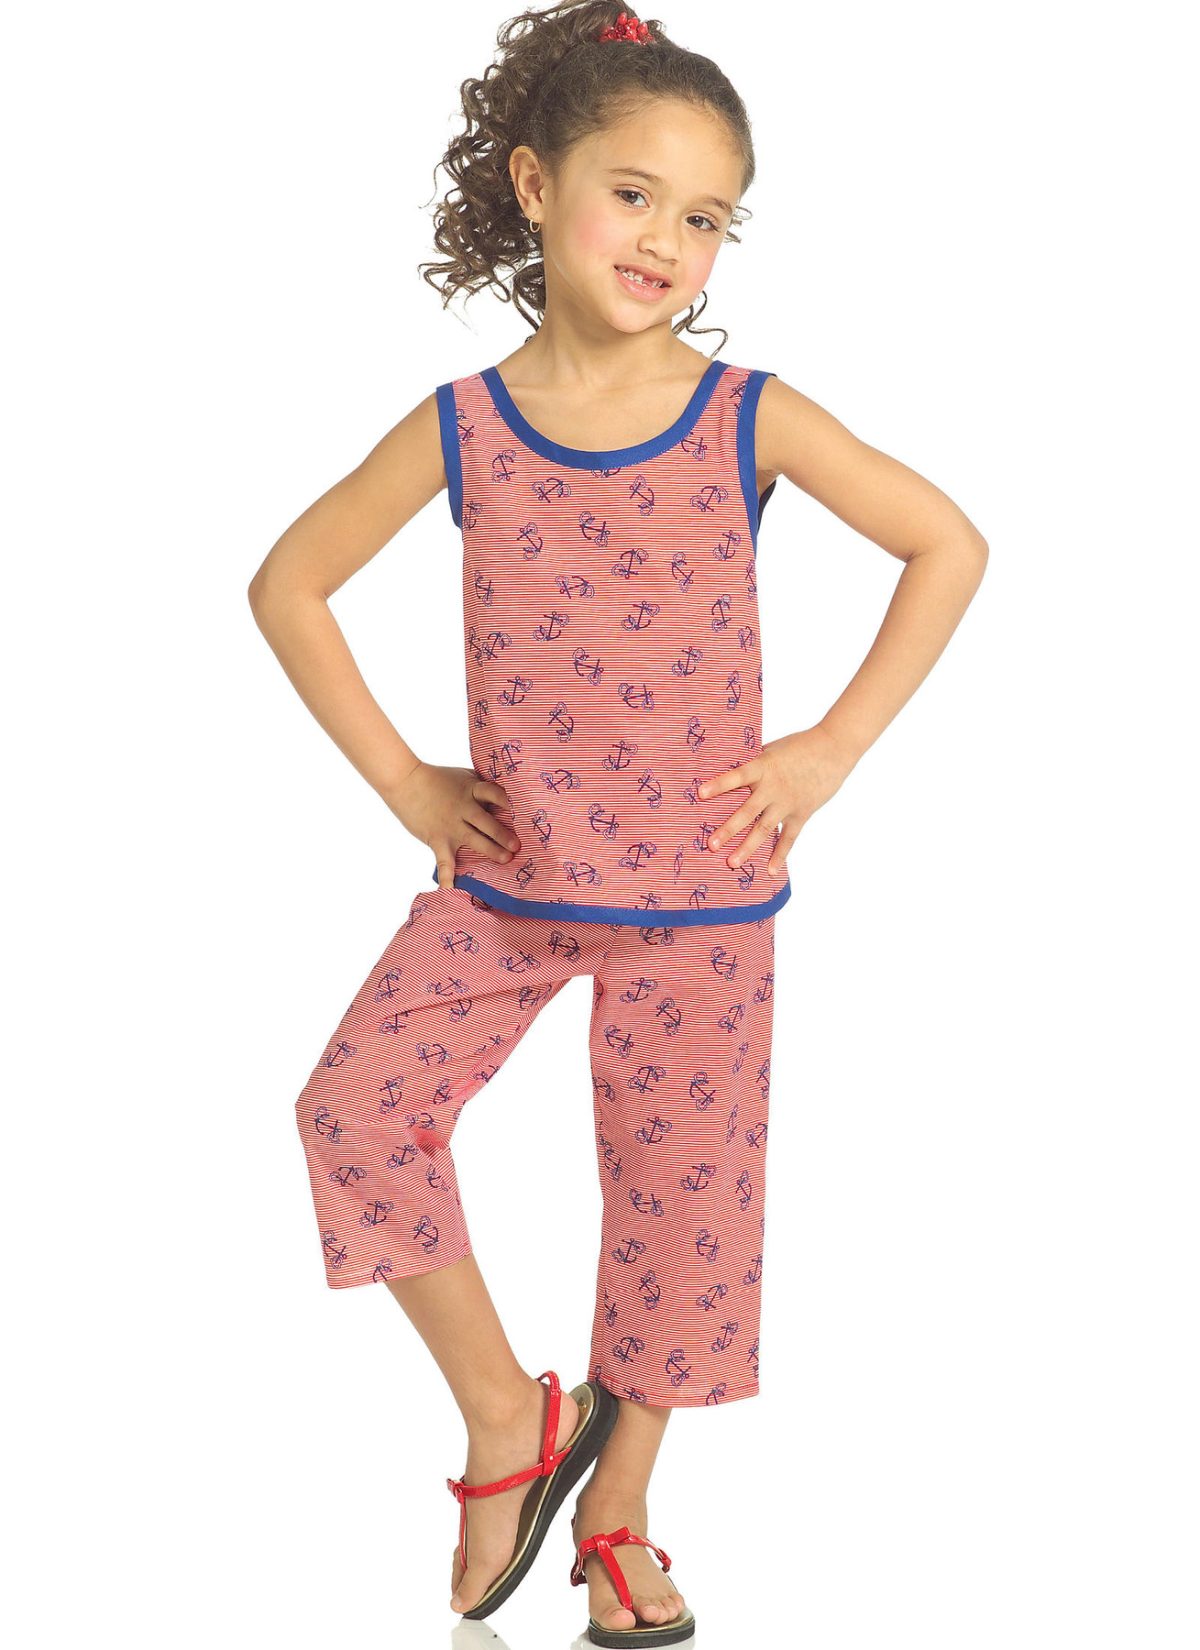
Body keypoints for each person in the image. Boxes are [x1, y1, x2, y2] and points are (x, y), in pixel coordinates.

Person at [247, 3, 988, 1642]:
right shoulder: (462, 424)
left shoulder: (748, 415)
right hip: (508, 881)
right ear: (536, 184)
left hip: (702, 894)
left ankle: (623, 1514)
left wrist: (826, 753)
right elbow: (288, 582)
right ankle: (509, 1420)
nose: (666, 240)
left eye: (706, 215)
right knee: (354, 1108)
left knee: (679, 1208)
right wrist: (408, 783)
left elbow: (948, 543)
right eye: (634, 194)